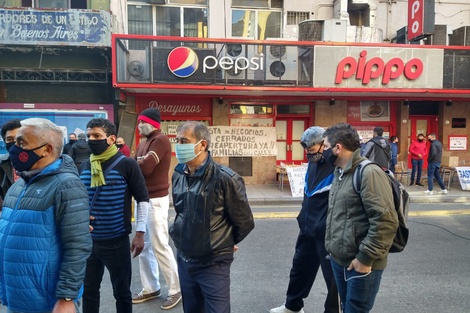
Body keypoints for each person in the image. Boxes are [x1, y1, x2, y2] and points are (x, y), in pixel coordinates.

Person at [0, 118, 92, 312]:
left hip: (47, 302)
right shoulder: (19, 185)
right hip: (16, 297)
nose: (14, 149)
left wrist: (67, 297)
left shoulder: (67, 186)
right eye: (14, 142)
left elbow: (77, 246)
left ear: (46, 149)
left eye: (22, 143)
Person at [169, 121, 255, 313]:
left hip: (213, 263)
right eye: (177, 141)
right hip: (184, 257)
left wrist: (224, 240)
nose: (179, 146)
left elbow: (245, 221)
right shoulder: (178, 174)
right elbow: (181, 211)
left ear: (202, 145)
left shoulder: (225, 178)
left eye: (184, 141)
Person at [322, 123, 398, 313]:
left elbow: (385, 221)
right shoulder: (340, 172)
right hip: (340, 260)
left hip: (361, 262)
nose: (323, 151)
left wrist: (365, 258)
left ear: (337, 148)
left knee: (355, 310)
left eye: (325, 147)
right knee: (346, 307)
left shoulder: (369, 173)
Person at [78, 118, 150, 313]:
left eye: (96, 136)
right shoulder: (85, 165)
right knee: (89, 291)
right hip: (88, 242)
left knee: (122, 293)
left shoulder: (126, 164)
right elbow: (78, 199)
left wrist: (140, 233)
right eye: (88, 136)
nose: (91, 140)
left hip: (116, 242)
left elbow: (142, 199)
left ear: (110, 139)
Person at [270, 126, 339, 313]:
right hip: (308, 229)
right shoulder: (313, 163)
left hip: (327, 233)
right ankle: (293, 306)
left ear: (324, 144)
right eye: (306, 149)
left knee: (333, 279)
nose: (308, 153)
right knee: (299, 269)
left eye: (311, 148)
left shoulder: (338, 166)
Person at [132, 108, 182, 309]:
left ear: (150, 123)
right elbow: (137, 164)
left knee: (160, 245)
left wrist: (138, 161)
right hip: (143, 199)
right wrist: (138, 161)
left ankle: (176, 289)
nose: (138, 126)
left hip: (156, 200)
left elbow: (145, 168)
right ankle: (151, 287)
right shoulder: (145, 143)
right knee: (143, 247)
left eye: (141, 122)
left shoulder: (160, 140)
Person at [0, 119, 22, 208]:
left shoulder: (38, 163)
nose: (14, 143)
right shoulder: (2, 164)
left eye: (18, 138)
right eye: (9, 139)